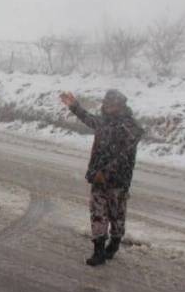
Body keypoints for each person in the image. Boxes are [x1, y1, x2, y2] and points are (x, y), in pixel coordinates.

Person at [60, 89, 144, 266]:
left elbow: (123, 156)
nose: (107, 106)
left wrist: (105, 172)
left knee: (117, 215)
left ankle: (113, 245)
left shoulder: (129, 128)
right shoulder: (104, 122)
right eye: (105, 103)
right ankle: (98, 251)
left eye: (111, 103)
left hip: (118, 180)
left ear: (120, 105)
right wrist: (74, 106)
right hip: (98, 178)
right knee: (98, 214)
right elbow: (88, 119)